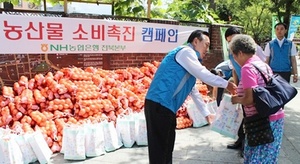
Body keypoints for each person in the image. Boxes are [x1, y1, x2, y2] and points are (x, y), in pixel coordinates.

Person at [144, 30, 237, 164]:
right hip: (159, 104)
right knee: (160, 151)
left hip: (165, 108)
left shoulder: (189, 61)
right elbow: (203, 74)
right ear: (195, 41)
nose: (207, 49)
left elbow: (193, 90)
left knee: (166, 148)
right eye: (206, 44)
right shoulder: (186, 52)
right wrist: (226, 84)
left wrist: (206, 114)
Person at [230, 34, 284, 163]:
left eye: (234, 55)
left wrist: (236, 99)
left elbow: (249, 99)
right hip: (274, 116)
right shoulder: (262, 64)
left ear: (241, 53)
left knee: (258, 158)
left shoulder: (248, 68)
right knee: (267, 157)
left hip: (261, 121)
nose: (234, 59)